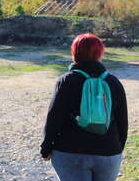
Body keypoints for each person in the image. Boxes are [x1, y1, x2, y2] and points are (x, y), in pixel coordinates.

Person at [40, 33, 128, 181]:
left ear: (75, 52)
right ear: (99, 53)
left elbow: (54, 117)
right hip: (108, 152)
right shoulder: (114, 82)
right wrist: (116, 149)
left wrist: (46, 148)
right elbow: (122, 122)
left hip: (70, 151)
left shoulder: (66, 81)